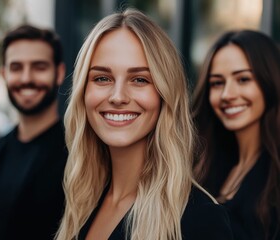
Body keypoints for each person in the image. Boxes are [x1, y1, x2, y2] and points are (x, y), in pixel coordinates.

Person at [56, 8, 233, 240]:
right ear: (83, 92)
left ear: (164, 94)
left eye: (140, 79)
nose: (118, 96)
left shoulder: (199, 220)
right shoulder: (82, 202)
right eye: (102, 78)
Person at [0, 24, 68, 240]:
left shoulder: (78, 154)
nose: (26, 78)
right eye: (16, 68)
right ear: (4, 74)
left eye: (39, 67)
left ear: (59, 73)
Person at [192, 29, 280, 239]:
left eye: (243, 79)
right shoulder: (204, 165)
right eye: (217, 83)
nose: (227, 95)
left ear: (270, 81)